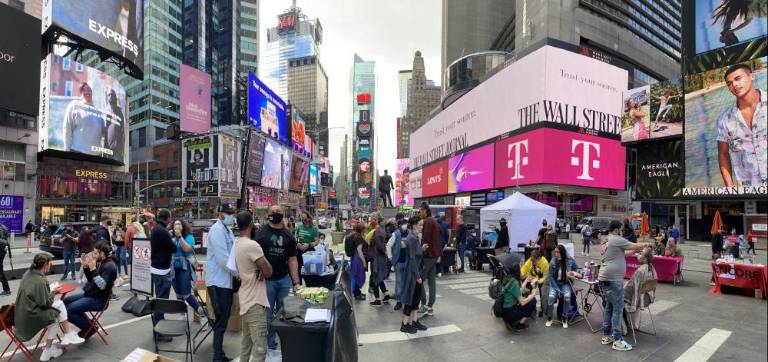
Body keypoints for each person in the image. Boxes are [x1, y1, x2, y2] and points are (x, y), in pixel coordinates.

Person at [15, 253, 85, 361]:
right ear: (45, 265)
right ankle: (65, 336)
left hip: (22, 313)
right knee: (57, 310)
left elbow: (38, 298)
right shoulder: (40, 281)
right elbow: (45, 303)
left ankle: (53, 347)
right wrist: (53, 292)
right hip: (31, 316)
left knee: (55, 313)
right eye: (49, 263)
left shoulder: (28, 274)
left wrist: (49, 291)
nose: (51, 265)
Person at [599, 220, 653, 351]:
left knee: (609, 308)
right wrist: (647, 244)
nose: (622, 231)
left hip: (604, 277)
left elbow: (622, 253)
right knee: (617, 309)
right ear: (617, 229)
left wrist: (634, 251)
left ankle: (607, 335)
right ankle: (617, 340)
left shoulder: (607, 240)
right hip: (613, 279)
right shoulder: (616, 239)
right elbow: (633, 245)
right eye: (621, 229)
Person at [254, 205, 300, 351]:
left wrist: (296, 282)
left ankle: (280, 340)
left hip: (284, 279)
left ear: (283, 214)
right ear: (268, 214)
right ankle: (270, 341)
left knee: (283, 313)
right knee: (267, 314)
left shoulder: (289, 236)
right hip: (266, 280)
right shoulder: (260, 234)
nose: (276, 214)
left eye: (279, 212)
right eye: (273, 212)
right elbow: (253, 256)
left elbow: (293, 260)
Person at [716, 63, 767, 187]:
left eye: (738, 78)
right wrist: (730, 188)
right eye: (729, 83)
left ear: (752, 76)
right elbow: (723, 153)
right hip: (750, 191)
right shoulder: (725, 119)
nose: (734, 85)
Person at [234, 211, 273, 362]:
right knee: (260, 349)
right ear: (251, 224)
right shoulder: (252, 245)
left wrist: (259, 269)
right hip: (255, 303)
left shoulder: (237, 243)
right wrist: (263, 268)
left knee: (246, 346)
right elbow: (268, 271)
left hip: (245, 299)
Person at [64, 241, 117, 340]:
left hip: (100, 300)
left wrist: (93, 269)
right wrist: (85, 267)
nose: (94, 255)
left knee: (67, 311)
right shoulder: (100, 262)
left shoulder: (110, 266)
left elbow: (102, 286)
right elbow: (91, 280)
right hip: (91, 294)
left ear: (102, 253)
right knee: (65, 302)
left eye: (96, 253)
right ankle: (89, 324)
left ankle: (89, 328)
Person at [205, 203, 238, 361]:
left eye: (232, 213)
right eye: (228, 213)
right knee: (221, 320)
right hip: (218, 282)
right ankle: (217, 355)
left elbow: (233, 253)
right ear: (221, 214)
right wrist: (238, 273)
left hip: (226, 281)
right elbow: (223, 259)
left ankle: (218, 353)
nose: (231, 215)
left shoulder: (228, 230)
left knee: (223, 318)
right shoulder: (217, 230)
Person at [171, 219, 207, 325]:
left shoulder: (188, 237)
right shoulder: (172, 237)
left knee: (186, 294)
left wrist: (180, 237)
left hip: (185, 268)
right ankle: (182, 314)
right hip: (173, 268)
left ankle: (203, 316)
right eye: (175, 225)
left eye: (179, 225)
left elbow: (187, 249)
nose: (176, 226)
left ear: (183, 226)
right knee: (178, 294)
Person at [149, 209, 177, 340]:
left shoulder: (155, 229)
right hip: (162, 271)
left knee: (159, 299)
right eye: (170, 219)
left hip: (156, 269)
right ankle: (159, 333)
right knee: (161, 303)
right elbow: (174, 248)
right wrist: (172, 236)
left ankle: (158, 329)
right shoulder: (163, 231)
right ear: (167, 219)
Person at [400, 216, 428, 334]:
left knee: (415, 297)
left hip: (415, 271)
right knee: (410, 298)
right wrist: (417, 276)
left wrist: (421, 249)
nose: (422, 227)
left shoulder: (414, 237)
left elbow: (415, 254)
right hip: (412, 273)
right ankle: (405, 324)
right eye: (420, 224)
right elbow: (411, 259)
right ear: (415, 225)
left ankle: (414, 321)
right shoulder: (411, 238)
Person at [63, 82, 106, 155]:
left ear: (92, 92)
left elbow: (103, 133)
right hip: (77, 152)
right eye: (83, 90)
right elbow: (67, 128)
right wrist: (67, 151)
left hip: (95, 156)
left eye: (89, 89)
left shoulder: (98, 112)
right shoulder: (75, 105)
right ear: (81, 93)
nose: (87, 92)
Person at [545, 245, 581, 328]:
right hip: (555, 283)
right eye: (555, 252)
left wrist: (573, 273)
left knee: (567, 297)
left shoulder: (569, 260)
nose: (555, 254)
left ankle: (564, 318)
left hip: (565, 283)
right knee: (551, 298)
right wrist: (557, 289)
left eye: (557, 252)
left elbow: (576, 268)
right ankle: (549, 318)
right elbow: (550, 276)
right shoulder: (553, 261)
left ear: (562, 252)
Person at [623, 247, 657, 333]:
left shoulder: (641, 270)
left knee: (613, 299)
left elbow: (629, 290)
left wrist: (623, 287)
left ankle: (623, 328)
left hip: (637, 301)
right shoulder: (651, 268)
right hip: (646, 297)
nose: (638, 255)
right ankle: (633, 324)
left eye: (641, 253)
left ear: (645, 258)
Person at [418, 202, 441, 316]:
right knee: (431, 281)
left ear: (425, 210)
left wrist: (421, 252)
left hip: (429, 255)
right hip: (434, 254)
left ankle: (423, 304)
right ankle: (430, 306)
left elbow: (425, 239)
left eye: (420, 210)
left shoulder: (428, 221)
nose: (419, 213)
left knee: (419, 279)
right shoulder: (434, 221)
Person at [500, 263, 538, 331]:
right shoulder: (514, 282)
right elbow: (522, 302)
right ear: (518, 271)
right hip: (510, 312)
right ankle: (518, 324)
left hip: (505, 311)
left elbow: (518, 291)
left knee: (526, 298)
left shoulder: (509, 279)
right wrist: (533, 295)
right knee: (532, 301)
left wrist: (526, 280)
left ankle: (511, 321)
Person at [369, 215, 391, 307]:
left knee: (375, 277)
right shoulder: (382, 231)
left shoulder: (377, 232)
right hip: (381, 257)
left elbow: (378, 245)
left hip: (377, 257)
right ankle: (386, 294)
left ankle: (377, 299)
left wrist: (384, 251)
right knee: (379, 278)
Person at [520, 249, 549, 317]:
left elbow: (545, 277)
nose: (532, 261)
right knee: (529, 292)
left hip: (541, 279)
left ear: (538, 258)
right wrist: (522, 274)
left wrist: (538, 281)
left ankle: (543, 308)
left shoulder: (545, 263)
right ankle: (531, 307)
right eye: (531, 259)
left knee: (543, 293)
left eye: (533, 260)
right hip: (532, 278)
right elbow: (524, 268)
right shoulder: (531, 260)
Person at [390, 218, 409, 310]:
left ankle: (406, 300)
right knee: (399, 282)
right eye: (403, 224)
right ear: (399, 225)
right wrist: (390, 258)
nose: (405, 225)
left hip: (408, 262)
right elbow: (388, 246)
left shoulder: (410, 233)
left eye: (406, 224)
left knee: (407, 282)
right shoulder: (396, 234)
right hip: (398, 262)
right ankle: (399, 301)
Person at [296, 210, 319, 279]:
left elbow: (317, 242)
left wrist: (308, 245)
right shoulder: (299, 227)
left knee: (309, 271)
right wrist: (297, 244)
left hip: (309, 252)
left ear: (309, 218)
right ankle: (299, 285)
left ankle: (310, 285)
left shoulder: (313, 229)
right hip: (299, 250)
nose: (303, 220)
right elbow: (295, 238)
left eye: (305, 218)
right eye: (302, 218)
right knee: (299, 270)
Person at [348, 224, 368, 301]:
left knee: (356, 275)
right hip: (358, 259)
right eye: (365, 229)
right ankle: (357, 293)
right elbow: (360, 251)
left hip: (355, 258)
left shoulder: (355, 236)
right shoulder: (358, 238)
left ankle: (357, 292)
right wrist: (364, 262)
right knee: (358, 275)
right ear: (362, 230)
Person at [0, 225, 10, 296]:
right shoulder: (3, 227)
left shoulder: (1, 228)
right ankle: (6, 289)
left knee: (0, 270)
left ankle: (7, 289)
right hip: (3, 247)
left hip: (1, 247)